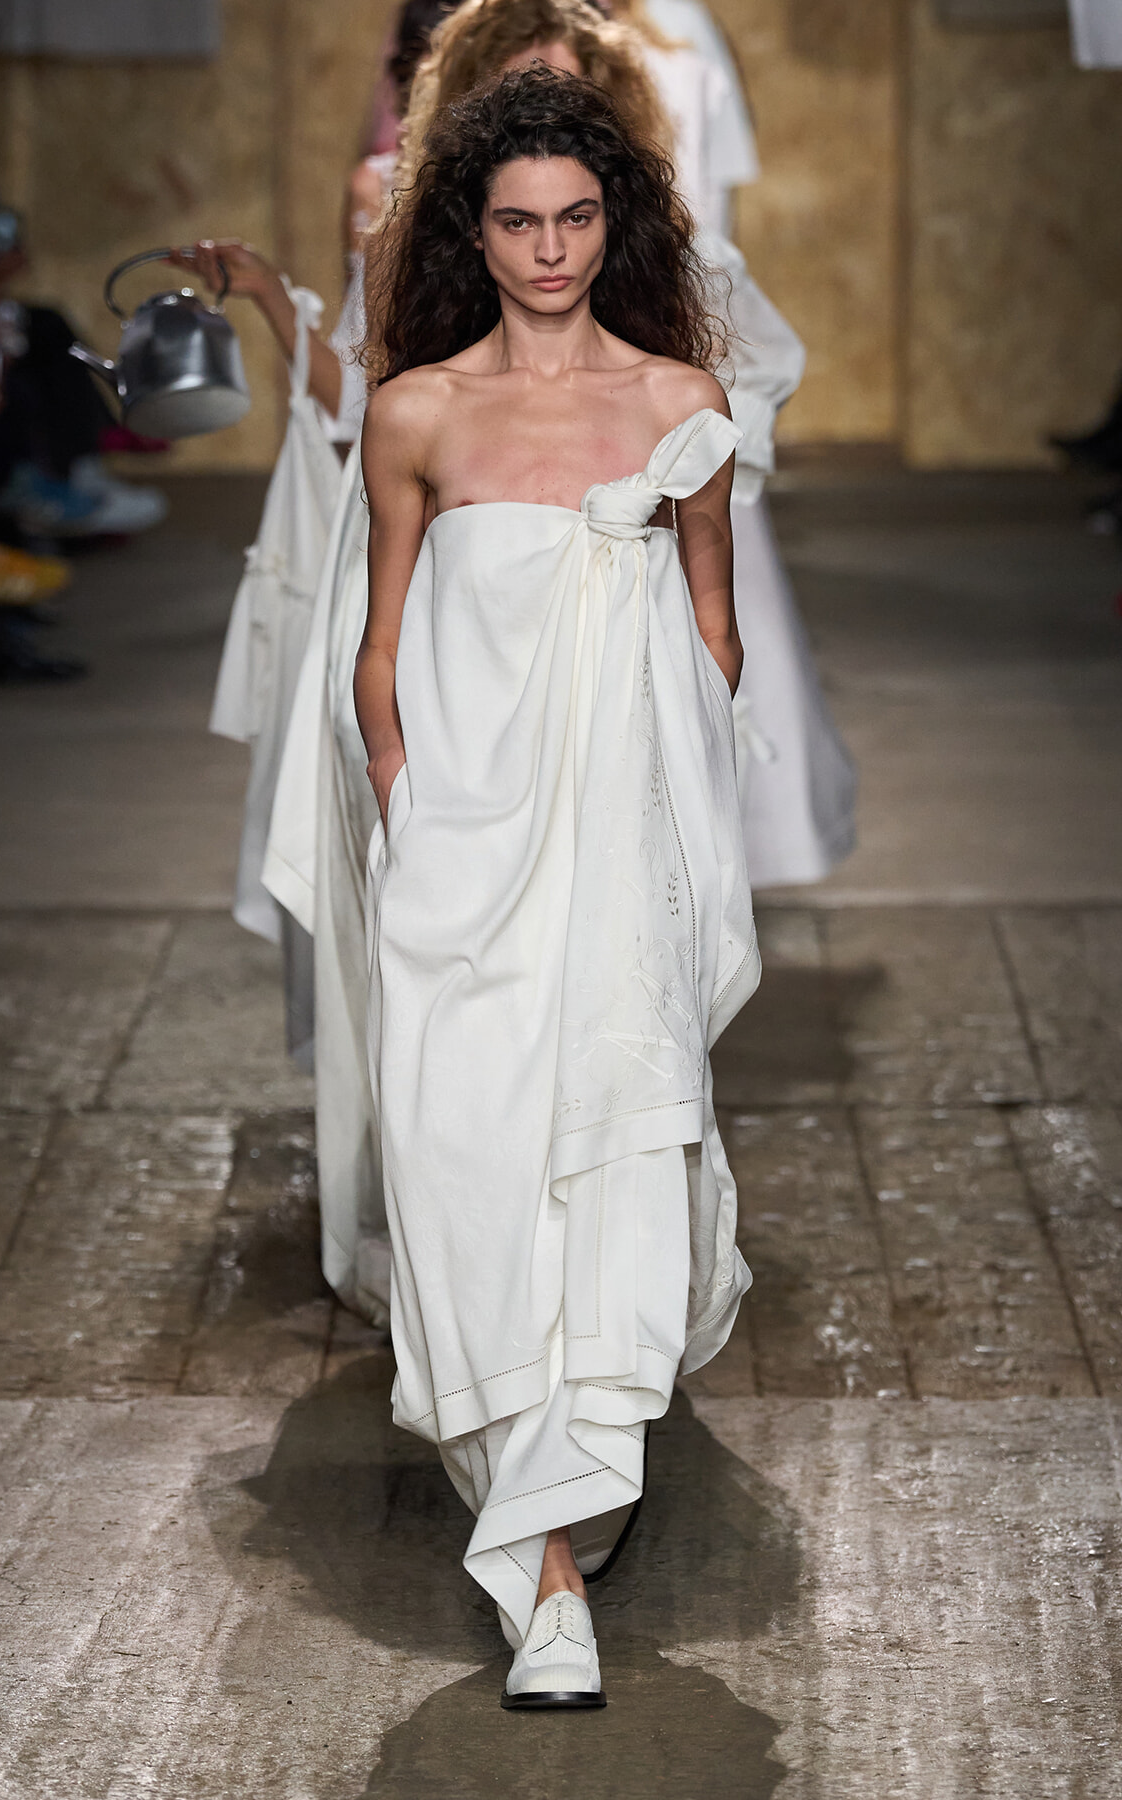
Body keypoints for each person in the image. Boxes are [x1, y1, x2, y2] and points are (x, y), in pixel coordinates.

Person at [355, 63, 758, 1708]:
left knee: (602, 1171)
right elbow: (378, 660)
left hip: (617, 871)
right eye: (517, 220)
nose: (547, 249)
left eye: (576, 218)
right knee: (463, 1169)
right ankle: (546, 1494)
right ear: (477, 226)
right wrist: (409, 815)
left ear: (615, 223)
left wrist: (677, 854)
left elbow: (713, 641)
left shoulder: (678, 407)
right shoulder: (419, 413)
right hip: (463, 865)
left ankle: (550, 1570)